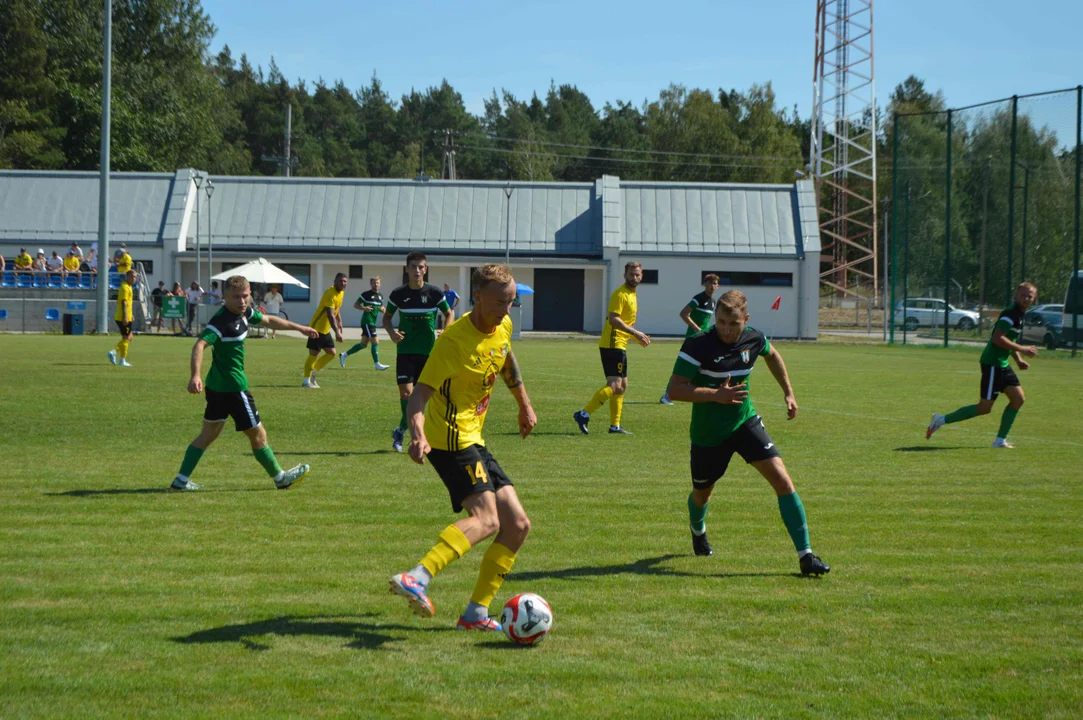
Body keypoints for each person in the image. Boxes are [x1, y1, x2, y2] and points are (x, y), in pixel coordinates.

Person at [389, 264, 537, 631]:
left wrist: (524, 403)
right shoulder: (453, 342)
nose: (507, 308)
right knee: (487, 519)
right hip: (449, 440)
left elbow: (505, 359)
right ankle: (418, 576)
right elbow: (419, 395)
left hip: (474, 437)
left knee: (517, 525)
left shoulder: (502, 324)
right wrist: (417, 435)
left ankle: (475, 615)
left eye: (512, 301)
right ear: (477, 297)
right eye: (501, 301)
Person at [666, 289, 830, 576]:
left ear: (746, 319)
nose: (726, 330)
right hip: (708, 434)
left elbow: (772, 355)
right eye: (721, 322)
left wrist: (789, 393)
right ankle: (698, 529)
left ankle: (806, 556)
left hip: (745, 422)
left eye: (733, 324)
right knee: (702, 494)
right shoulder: (698, 345)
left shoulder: (754, 338)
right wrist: (716, 395)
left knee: (783, 481)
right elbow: (675, 390)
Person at [170, 275, 319, 491]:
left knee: (208, 434)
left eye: (245, 296)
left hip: (217, 387)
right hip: (234, 388)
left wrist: (299, 328)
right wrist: (195, 375)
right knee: (258, 434)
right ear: (225, 297)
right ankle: (280, 478)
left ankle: (180, 480)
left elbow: (269, 320)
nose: (242, 301)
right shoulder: (221, 322)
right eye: (236, 297)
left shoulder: (245, 312)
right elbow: (200, 345)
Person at [927, 282, 1040, 448]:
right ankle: (940, 420)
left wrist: (1018, 359)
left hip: (1002, 364)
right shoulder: (1011, 314)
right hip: (992, 364)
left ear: (1034, 298)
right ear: (1017, 295)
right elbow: (997, 338)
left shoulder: (1020, 315)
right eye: (1023, 295)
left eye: (1029, 296)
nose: (1026, 298)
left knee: (1018, 399)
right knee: (984, 408)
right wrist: (1022, 349)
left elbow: (1011, 339)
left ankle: (1000, 440)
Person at [383, 252, 454, 452]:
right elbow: (387, 317)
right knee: (406, 393)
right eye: (413, 266)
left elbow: (449, 313)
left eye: (420, 267)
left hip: (429, 353)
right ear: (407, 269)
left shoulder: (434, 293)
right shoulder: (398, 294)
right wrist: (391, 332)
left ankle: (401, 429)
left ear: (426, 269)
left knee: (425, 398)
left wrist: (445, 330)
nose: (417, 270)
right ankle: (410, 434)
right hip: (405, 351)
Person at [573, 262, 651, 435]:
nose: (634, 277)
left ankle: (614, 426)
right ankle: (583, 414)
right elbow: (613, 319)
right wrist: (636, 333)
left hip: (620, 345)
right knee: (615, 385)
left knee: (622, 385)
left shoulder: (632, 295)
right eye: (631, 274)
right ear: (625, 275)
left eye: (637, 274)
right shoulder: (620, 294)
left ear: (642, 276)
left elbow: (627, 322)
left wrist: (635, 337)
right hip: (612, 344)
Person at [661, 273, 721, 405]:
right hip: (693, 339)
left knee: (702, 367)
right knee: (683, 368)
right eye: (710, 282)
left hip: (704, 339)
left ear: (718, 286)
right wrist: (696, 329)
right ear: (705, 284)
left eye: (715, 283)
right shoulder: (698, 298)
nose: (712, 285)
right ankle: (667, 395)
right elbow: (683, 313)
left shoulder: (713, 302)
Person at [302, 273, 347, 389]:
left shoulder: (341, 293)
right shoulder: (330, 294)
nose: (343, 283)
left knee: (331, 353)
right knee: (314, 354)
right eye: (341, 281)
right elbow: (330, 315)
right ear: (335, 281)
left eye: (345, 281)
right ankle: (306, 381)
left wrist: (340, 320)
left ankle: (314, 372)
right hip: (316, 328)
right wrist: (337, 331)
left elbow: (337, 309)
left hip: (325, 329)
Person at [340, 276, 390, 371]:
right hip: (367, 321)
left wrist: (383, 309)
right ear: (371, 284)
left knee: (363, 344)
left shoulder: (380, 296)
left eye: (377, 283)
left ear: (380, 284)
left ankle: (344, 355)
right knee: (375, 341)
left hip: (372, 322)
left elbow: (381, 307)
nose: (376, 285)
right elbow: (356, 304)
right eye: (374, 283)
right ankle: (377, 364)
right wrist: (364, 308)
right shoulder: (366, 294)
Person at [107, 270, 137, 367]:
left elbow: (128, 303)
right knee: (126, 338)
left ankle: (116, 354)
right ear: (127, 277)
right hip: (122, 317)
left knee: (129, 337)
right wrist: (125, 316)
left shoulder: (129, 287)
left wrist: (130, 314)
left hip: (127, 316)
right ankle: (119, 357)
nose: (134, 279)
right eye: (132, 277)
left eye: (135, 277)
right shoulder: (124, 287)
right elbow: (123, 302)